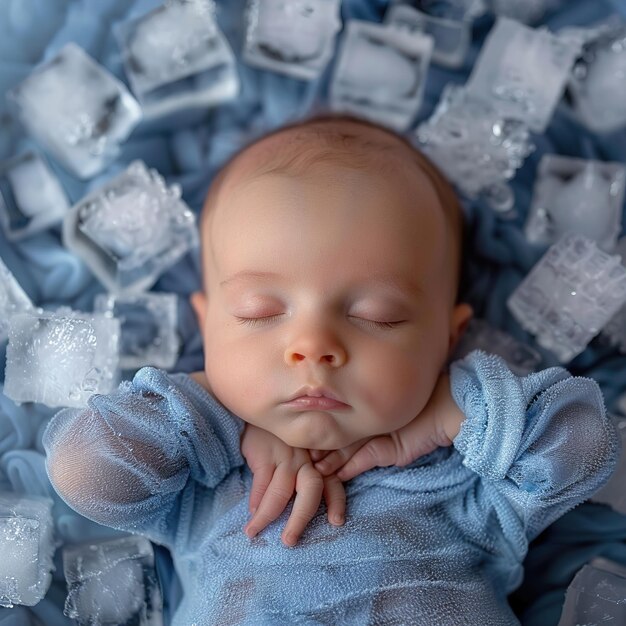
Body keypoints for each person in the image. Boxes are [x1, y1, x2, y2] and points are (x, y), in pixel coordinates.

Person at [43, 115, 619, 626]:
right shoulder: (206, 485)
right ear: (208, 324)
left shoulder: (465, 477)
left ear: (448, 338)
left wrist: (451, 414)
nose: (313, 347)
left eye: (378, 316)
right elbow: (82, 468)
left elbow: (585, 443)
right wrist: (218, 420)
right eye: (259, 313)